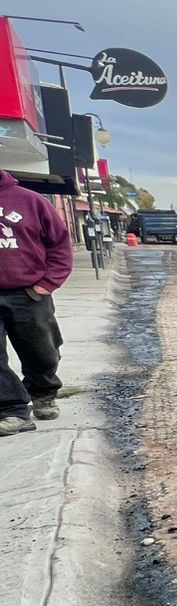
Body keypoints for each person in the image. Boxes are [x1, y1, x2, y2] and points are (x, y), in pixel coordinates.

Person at [0, 168, 73, 436]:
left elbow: (59, 245)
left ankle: (43, 392)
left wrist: (46, 284)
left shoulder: (31, 201)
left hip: (28, 292)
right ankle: (12, 409)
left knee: (42, 349)